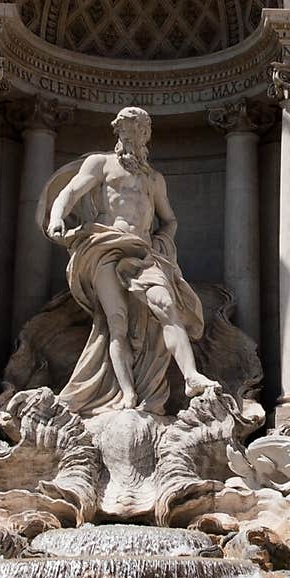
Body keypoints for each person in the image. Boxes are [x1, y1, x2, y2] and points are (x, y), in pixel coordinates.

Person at [43, 106, 214, 416]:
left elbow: (169, 220)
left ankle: (191, 377)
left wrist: (162, 244)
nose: (128, 134)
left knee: (167, 307)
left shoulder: (154, 179)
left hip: (144, 252)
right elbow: (69, 191)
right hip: (105, 247)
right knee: (116, 323)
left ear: (144, 134)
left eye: (135, 129)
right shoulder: (101, 164)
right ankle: (128, 394)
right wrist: (56, 217)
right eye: (123, 128)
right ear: (117, 132)